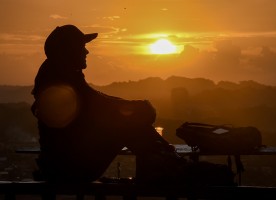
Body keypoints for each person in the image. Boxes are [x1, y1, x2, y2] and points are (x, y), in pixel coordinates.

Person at [31, 24, 235, 185]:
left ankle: (166, 165)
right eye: (81, 47)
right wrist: (136, 109)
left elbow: (96, 102)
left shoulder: (60, 75)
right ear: (68, 52)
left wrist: (131, 108)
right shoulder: (59, 80)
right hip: (68, 169)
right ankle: (169, 166)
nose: (86, 52)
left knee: (130, 120)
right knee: (129, 123)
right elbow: (97, 105)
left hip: (64, 166)